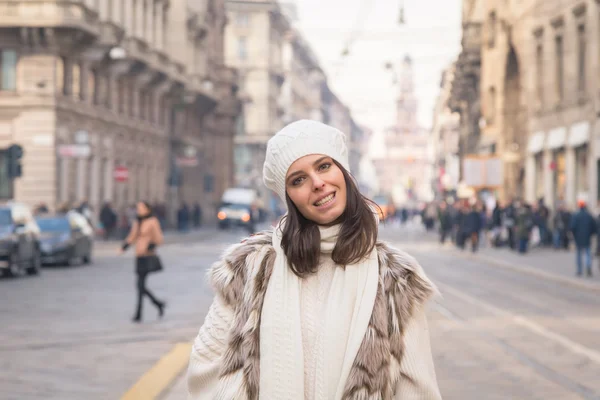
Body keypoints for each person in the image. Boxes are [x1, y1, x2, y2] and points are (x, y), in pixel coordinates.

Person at [186, 120, 441, 399]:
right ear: (288, 197)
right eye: (298, 180)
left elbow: (417, 388)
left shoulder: (396, 277)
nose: (318, 183)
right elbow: (207, 366)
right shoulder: (250, 268)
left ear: (344, 172)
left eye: (323, 166)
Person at [119, 201, 166, 322]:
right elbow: (132, 236)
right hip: (139, 256)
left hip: (148, 256)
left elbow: (159, 238)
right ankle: (158, 304)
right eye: (138, 207)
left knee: (140, 285)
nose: (139, 210)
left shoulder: (153, 221)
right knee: (140, 286)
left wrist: (151, 246)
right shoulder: (137, 221)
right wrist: (124, 247)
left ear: (148, 209)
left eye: (141, 208)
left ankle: (139, 313)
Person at [570, 200, 597, 277]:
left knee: (578, 254)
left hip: (578, 238)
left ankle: (579, 270)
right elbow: (594, 226)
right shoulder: (589, 215)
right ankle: (588, 267)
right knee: (587, 253)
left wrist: (574, 236)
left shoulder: (576, 215)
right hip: (587, 237)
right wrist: (591, 234)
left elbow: (572, 227)